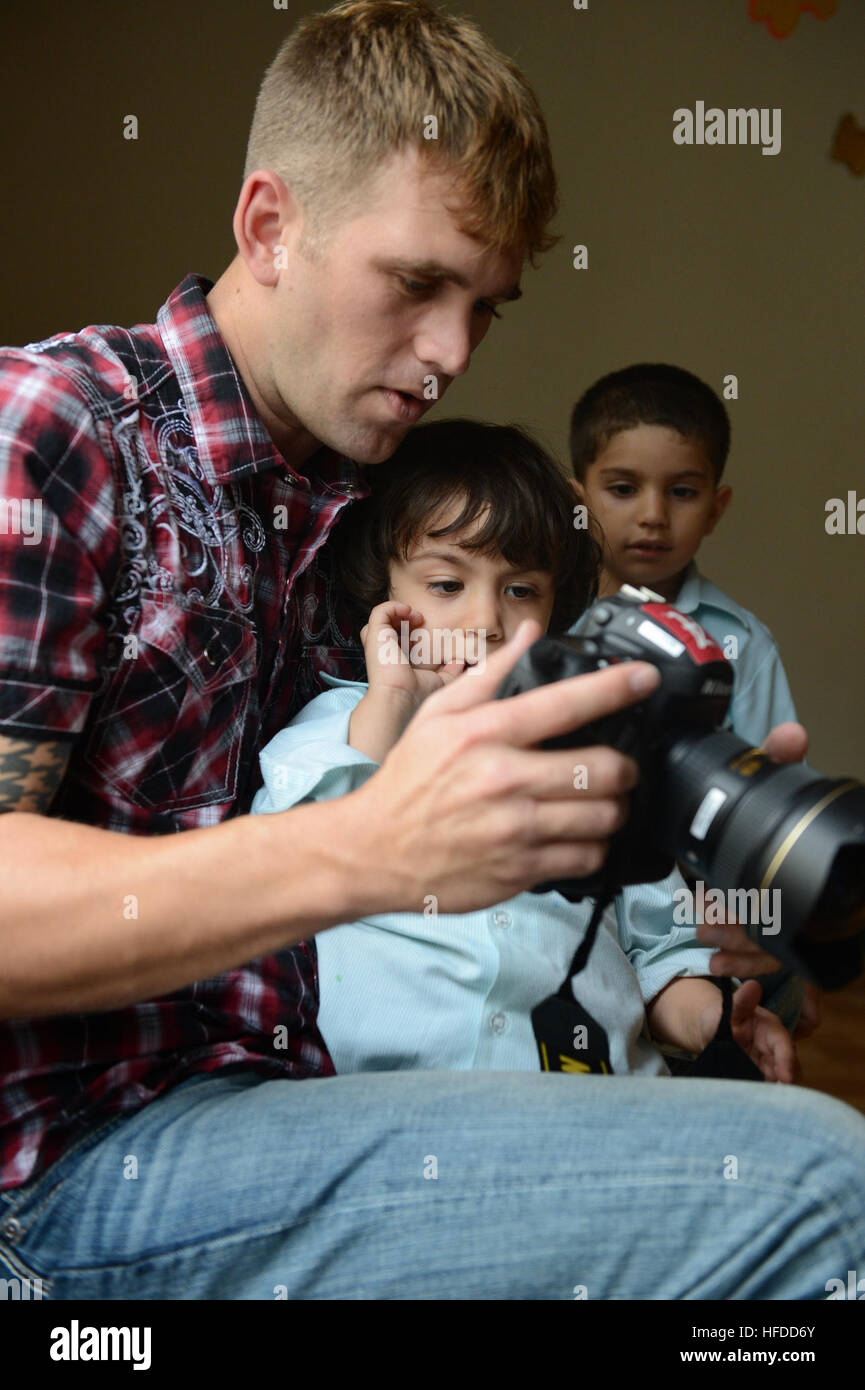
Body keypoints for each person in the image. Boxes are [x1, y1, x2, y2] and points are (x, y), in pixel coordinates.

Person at [0, 2, 861, 1300]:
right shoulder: (60, 425)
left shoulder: (353, 508)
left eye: (485, 308)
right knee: (820, 1193)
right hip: (70, 1168)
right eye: (415, 284)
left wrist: (669, 819)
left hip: (269, 1100)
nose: (451, 354)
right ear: (269, 225)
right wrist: (367, 846)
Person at [252, 418, 797, 1084]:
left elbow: (662, 957)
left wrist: (712, 1025)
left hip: (595, 1109)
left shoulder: (594, 765)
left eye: (519, 591)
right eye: (446, 586)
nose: (484, 623)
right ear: (382, 592)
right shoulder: (333, 732)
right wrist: (391, 705)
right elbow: (295, 861)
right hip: (388, 1110)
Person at [568, 363, 815, 1039]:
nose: (651, 515)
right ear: (578, 498)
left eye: (681, 491)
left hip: (689, 923)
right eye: (622, 489)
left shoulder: (740, 644)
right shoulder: (544, 628)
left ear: (716, 506)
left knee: (736, 1026)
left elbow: (766, 810)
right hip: (570, 909)